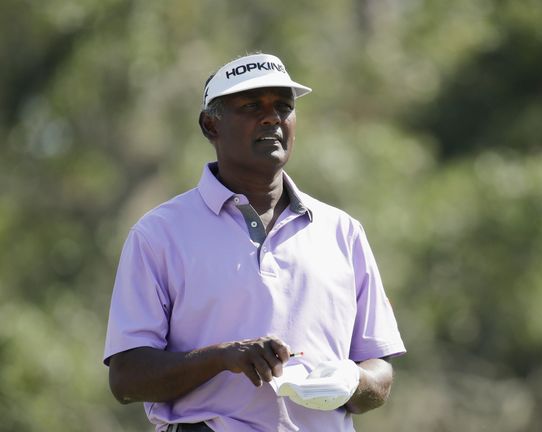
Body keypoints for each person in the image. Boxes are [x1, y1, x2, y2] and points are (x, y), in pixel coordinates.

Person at [103, 52, 406, 432]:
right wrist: (223, 358)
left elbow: (379, 371)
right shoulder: (159, 234)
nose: (272, 118)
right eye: (251, 106)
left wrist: (351, 381)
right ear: (210, 125)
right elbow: (127, 378)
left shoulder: (343, 232)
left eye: (283, 106)